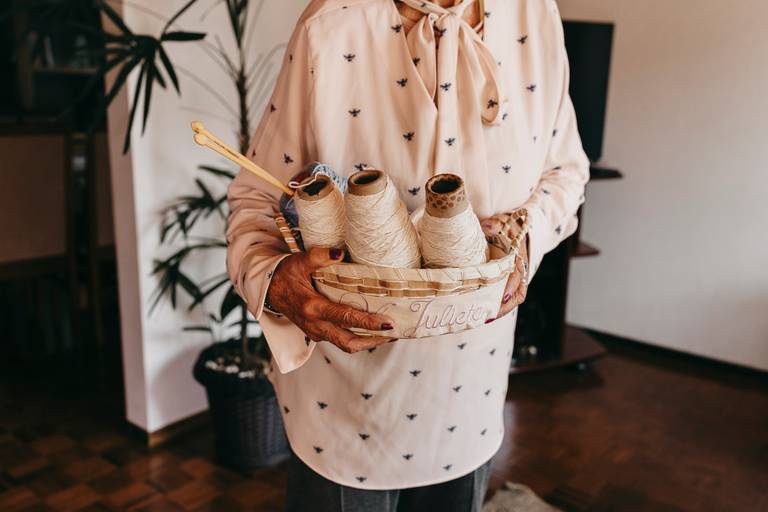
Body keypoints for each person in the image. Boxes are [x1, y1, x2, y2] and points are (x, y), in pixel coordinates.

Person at [226, 0, 589, 510]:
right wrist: (276, 278)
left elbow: (566, 170)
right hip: (347, 412)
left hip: (472, 397)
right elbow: (256, 197)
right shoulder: (330, 26)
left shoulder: (534, 15)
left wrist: (520, 238)